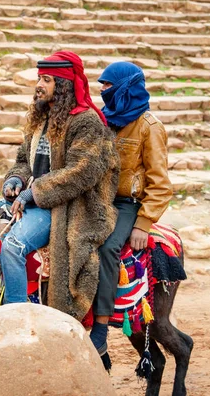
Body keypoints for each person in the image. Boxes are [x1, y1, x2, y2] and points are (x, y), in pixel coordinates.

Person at [0, 51, 119, 317]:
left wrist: (32, 193)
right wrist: (15, 179)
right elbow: (22, 160)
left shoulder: (86, 122)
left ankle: (15, 314)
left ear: (63, 86)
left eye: (47, 80)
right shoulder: (42, 118)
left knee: (13, 246)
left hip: (63, 207)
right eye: (39, 78)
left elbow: (80, 173)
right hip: (27, 199)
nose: (39, 85)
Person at [90, 62, 173, 357]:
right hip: (97, 199)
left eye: (108, 86)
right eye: (101, 85)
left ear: (125, 88)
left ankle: (99, 330)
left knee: (108, 248)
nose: (102, 91)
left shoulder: (150, 128)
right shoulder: (103, 120)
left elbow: (161, 184)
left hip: (127, 204)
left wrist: (143, 223)